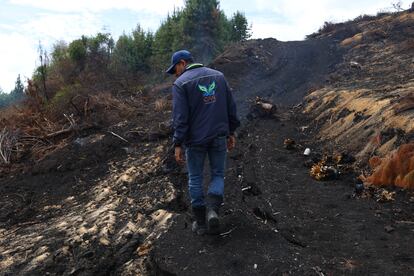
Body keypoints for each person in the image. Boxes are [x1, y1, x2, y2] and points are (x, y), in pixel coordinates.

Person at [166, 50, 240, 235]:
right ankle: (213, 210)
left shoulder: (181, 83)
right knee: (217, 174)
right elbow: (231, 107)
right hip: (218, 137)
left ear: (182, 63)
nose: (175, 73)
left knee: (195, 178)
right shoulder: (219, 77)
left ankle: (200, 223)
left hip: (195, 141)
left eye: (175, 68)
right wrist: (231, 131)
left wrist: (177, 144)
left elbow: (180, 118)